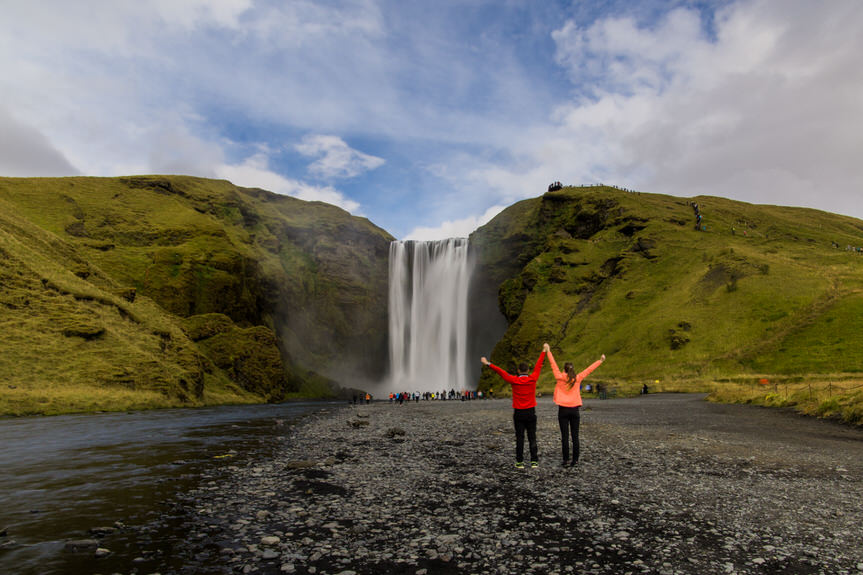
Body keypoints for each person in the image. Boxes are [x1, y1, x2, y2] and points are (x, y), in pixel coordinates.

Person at [543, 343, 605, 468]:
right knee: (575, 436)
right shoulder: (578, 378)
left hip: (563, 410)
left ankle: (566, 460)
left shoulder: (559, 377)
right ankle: (575, 460)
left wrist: (548, 351)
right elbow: (589, 370)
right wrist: (600, 361)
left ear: (564, 369)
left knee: (565, 436)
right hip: (575, 410)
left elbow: (553, 364)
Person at [481, 350, 545, 469]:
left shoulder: (514, 380)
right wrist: (543, 351)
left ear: (518, 371)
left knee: (519, 437)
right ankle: (534, 461)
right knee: (532, 436)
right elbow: (538, 365)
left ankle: (520, 462)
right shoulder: (533, 378)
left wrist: (487, 363)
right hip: (531, 412)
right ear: (528, 371)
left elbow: (501, 372)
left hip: (519, 413)